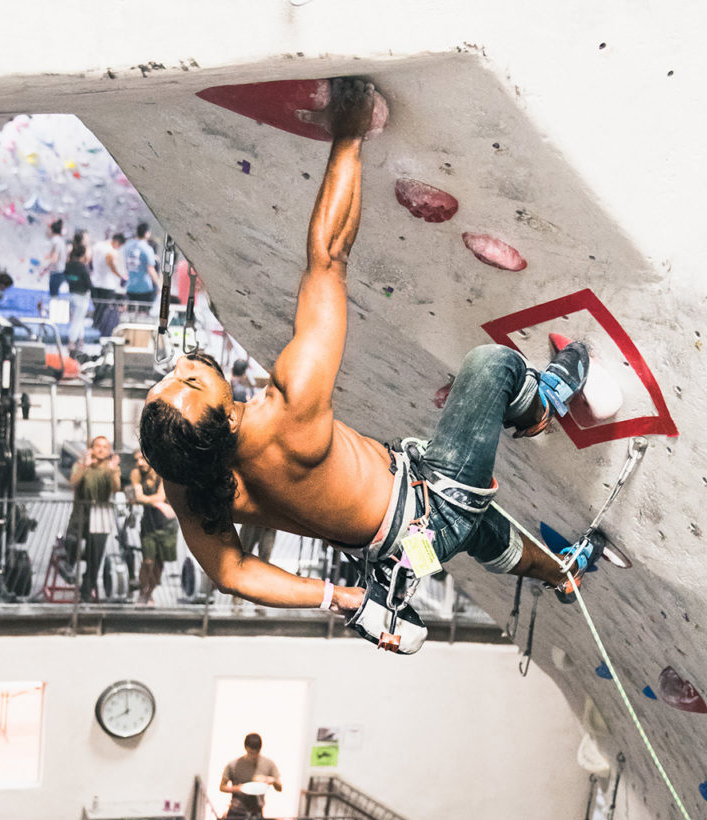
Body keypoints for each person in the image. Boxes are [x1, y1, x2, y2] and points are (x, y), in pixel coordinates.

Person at [137, 78, 598, 650]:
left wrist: (342, 598)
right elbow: (328, 259)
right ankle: (540, 405)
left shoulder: (191, 481)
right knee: (491, 365)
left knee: (475, 534)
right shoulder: (288, 412)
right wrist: (349, 137)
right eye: (188, 380)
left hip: (406, 557)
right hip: (432, 506)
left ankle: (561, 574)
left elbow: (231, 572)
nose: (183, 365)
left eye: (164, 381)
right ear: (225, 419)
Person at [64, 435, 121, 601]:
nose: (101, 450)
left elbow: (116, 488)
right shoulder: (80, 464)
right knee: (71, 541)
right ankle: (69, 565)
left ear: (109, 450)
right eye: (98, 446)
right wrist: (84, 465)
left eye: (105, 447)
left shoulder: (111, 467)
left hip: (101, 514)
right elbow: (72, 483)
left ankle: (87, 590)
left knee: (95, 557)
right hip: (80, 513)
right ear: (91, 448)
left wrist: (113, 471)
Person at [130, 449, 180, 605]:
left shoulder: (162, 473)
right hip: (149, 524)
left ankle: (149, 593)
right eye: (137, 459)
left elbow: (160, 496)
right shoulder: (136, 474)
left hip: (167, 525)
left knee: (159, 563)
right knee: (148, 560)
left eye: (142, 459)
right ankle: (142, 592)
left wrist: (147, 500)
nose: (139, 463)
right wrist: (157, 503)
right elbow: (137, 496)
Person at [90, 232, 126, 332]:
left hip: (94, 282)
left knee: (97, 309)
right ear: (117, 242)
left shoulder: (97, 245)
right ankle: (99, 331)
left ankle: (95, 328)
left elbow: (90, 260)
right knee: (103, 311)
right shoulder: (112, 252)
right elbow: (113, 267)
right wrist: (121, 276)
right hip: (106, 285)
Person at [64, 242, 94, 356]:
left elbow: (67, 277)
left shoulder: (68, 265)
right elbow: (88, 283)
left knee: (79, 320)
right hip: (81, 297)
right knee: (77, 321)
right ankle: (71, 343)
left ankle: (80, 341)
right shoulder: (82, 267)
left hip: (71, 295)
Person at [122, 222, 161, 307]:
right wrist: (159, 285)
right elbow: (151, 270)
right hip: (144, 287)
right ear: (147, 233)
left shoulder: (128, 246)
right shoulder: (147, 248)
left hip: (130, 286)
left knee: (131, 312)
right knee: (144, 312)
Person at [42, 219, 68, 296]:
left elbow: (54, 258)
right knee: (54, 294)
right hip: (60, 270)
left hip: (56, 271)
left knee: (53, 295)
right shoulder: (60, 240)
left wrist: (46, 267)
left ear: (51, 230)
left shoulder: (55, 241)